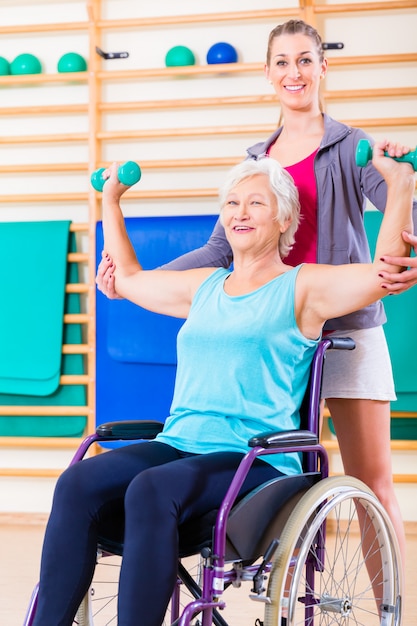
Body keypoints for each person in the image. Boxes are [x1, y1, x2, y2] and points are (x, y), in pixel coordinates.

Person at [33, 145, 414, 626]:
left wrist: (399, 184)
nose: (240, 212)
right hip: (179, 444)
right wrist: (111, 199)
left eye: (256, 202)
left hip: (255, 459)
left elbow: (387, 271)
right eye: (232, 203)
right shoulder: (205, 286)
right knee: (77, 482)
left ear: (284, 220)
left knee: (151, 489)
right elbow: (128, 279)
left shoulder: (304, 286)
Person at [96, 19, 417, 563]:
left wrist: (404, 203)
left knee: (371, 480)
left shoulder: (353, 147)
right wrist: (137, 283)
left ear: (322, 67)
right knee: (284, 473)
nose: (295, 72)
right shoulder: (256, 164)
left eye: (305, 60)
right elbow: (218, 254)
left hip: (347, 328)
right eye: (283, 62)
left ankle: (388, 608)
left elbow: (400, 221)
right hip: (270, 332)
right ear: (269, 74)